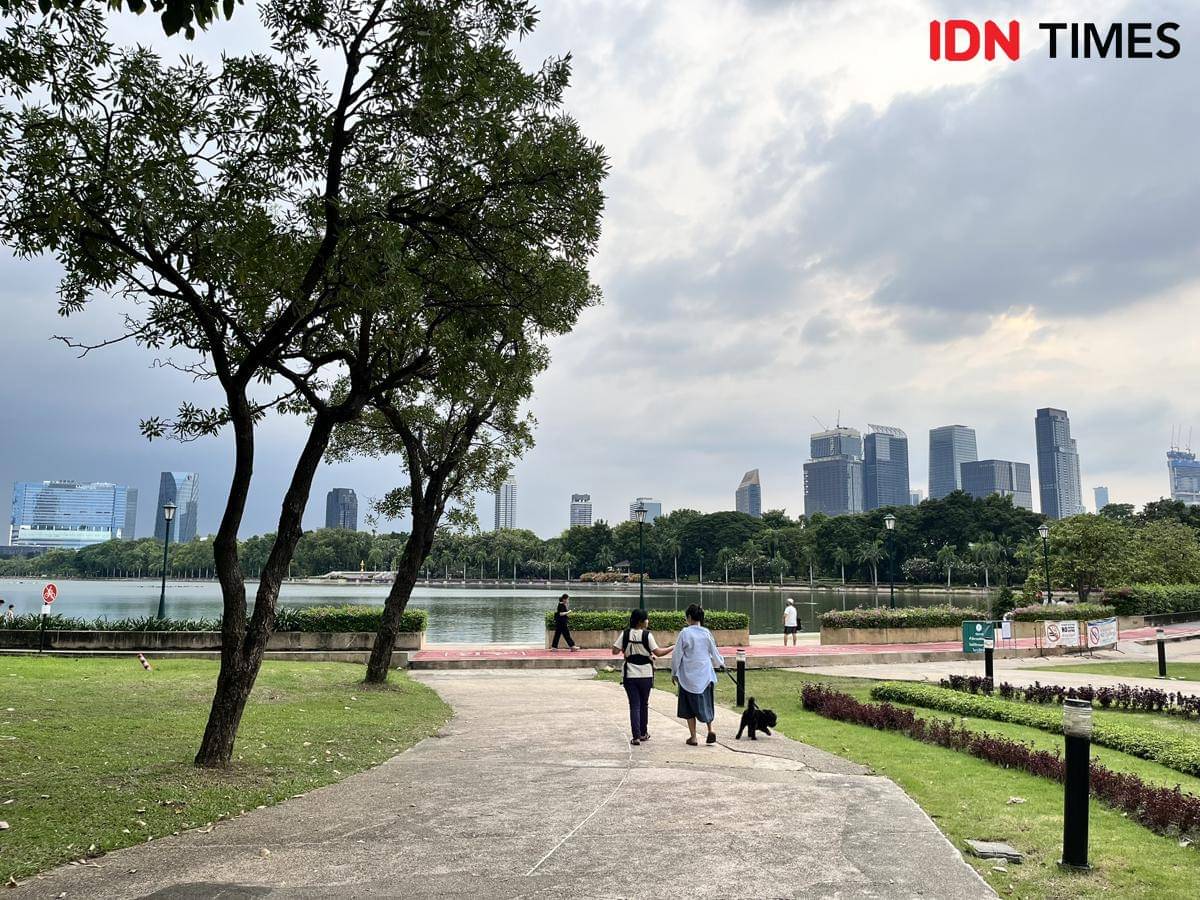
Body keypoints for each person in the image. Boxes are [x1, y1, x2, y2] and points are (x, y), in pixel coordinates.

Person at [611, 609, 673, 745]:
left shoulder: (625, 634)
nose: (647, 621)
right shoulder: (647, 635)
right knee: (644, 704)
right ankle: (644, 733)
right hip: (645, 674)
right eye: (646, 619)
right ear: (641, 621)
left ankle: (636, 736)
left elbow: (614, 651)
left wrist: (625, 650)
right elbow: (658, 652)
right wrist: (672, 647)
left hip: (630, 675)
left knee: (634, 705)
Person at [671, 603, 725, 746]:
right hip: (705, 675)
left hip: (688, 677)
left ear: (689, 617)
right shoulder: (706, 633)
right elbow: (715, 652)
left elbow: (677, 655)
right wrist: (721, 663)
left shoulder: (685, 633)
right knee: (707, 703)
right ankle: (710, 729)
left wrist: (674, 672)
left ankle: (693, 737)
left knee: (688, 707)